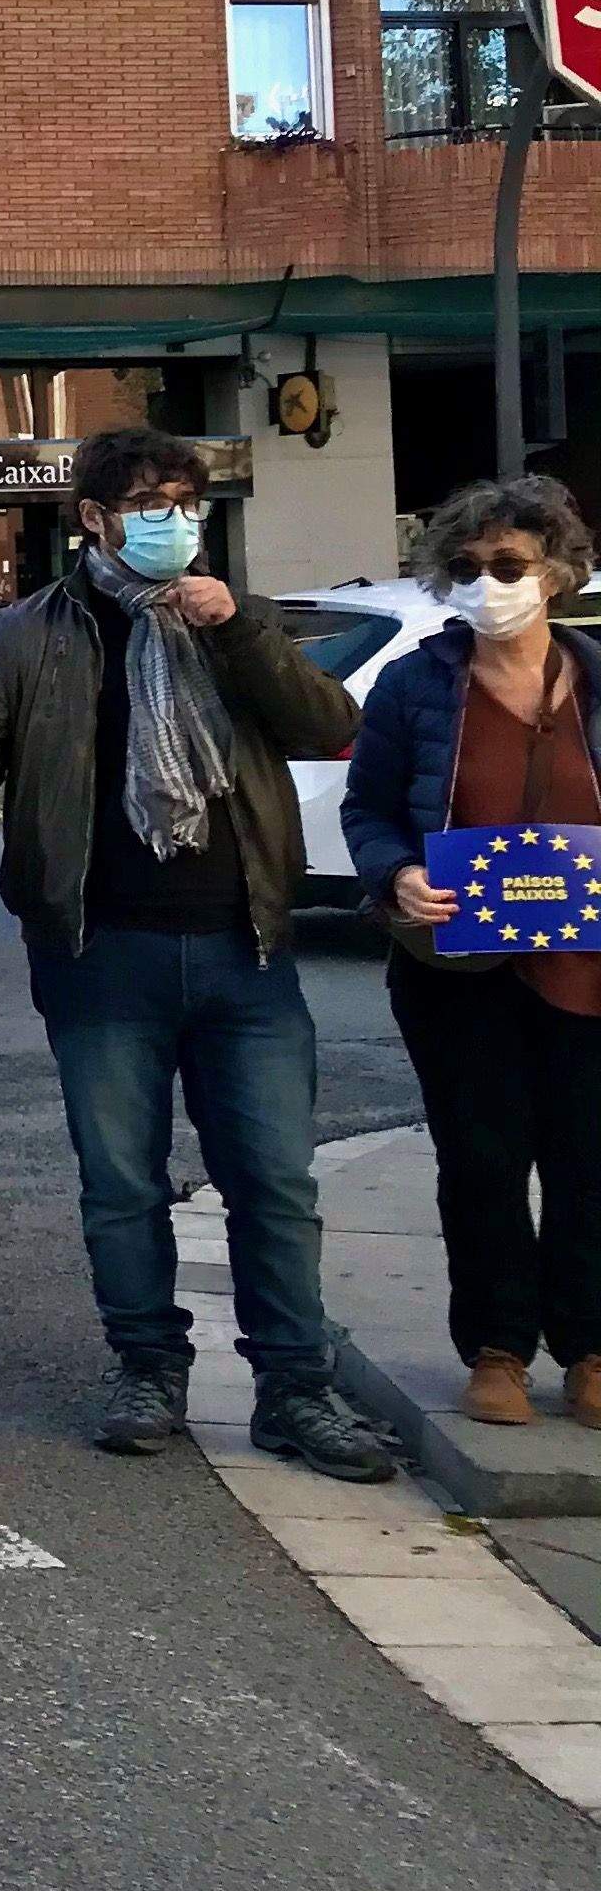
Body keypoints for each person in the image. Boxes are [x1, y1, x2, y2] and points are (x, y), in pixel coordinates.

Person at [0, 424, 393, 1478]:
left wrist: (238, 634)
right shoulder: (28, 635)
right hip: (101, 951)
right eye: (148, 505)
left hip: (245, 948)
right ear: (92, 518)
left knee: (273, 1181)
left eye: (187, 504)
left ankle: (295, 1391)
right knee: (120, 1182)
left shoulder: (242, 620)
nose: (173, 523)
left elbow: (325, 725)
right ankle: (147, 1366)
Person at [342, 475, 601, 1428]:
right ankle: (497, 1347)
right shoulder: (417, 684)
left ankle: (591, 1348)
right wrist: (397, 876)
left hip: (589, 965)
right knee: (482, 1160)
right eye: (465, 568)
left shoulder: (599, 678)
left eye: (508, 565)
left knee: (589, 1163)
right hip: (459, 968)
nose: (487, 583)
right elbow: (369, 811)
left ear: (558, 573)